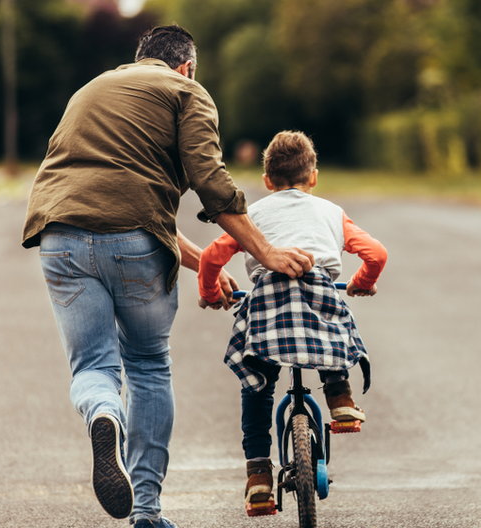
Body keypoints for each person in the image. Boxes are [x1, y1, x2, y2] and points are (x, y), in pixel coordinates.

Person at [20, 26, 314, 528]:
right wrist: (265, 252)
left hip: (59, 236)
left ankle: (103, 416)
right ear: (188, 67)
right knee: (148, 364)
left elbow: (117, 198)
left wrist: (208, 265)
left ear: (139, 60)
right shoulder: (186, 91)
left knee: (93, 367)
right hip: (135, 243)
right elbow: (209, 181)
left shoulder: (91, 90)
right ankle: (147, 511)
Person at [197, 131, 387, 515]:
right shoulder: (332, 213)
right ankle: (341, 398)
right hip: (319, 296)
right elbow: (377, 254)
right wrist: (361, 283)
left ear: (267, 181)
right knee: (332, 326)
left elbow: (211, 257)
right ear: (313, 176)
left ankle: (258, 479)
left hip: (268, 305)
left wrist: (210, 291)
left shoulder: (252, 217)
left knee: (258, 386)